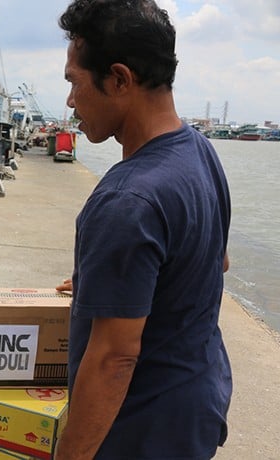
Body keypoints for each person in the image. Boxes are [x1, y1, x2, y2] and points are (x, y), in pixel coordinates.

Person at [54, 2, 232, 459]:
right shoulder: (199, 152)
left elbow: (114, 358)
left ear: (118, 79)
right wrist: (113, 281)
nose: (71, 101)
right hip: (195, 407)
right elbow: (214, 260)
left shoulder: (128, 200)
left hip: (141, 432)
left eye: (74, 82)